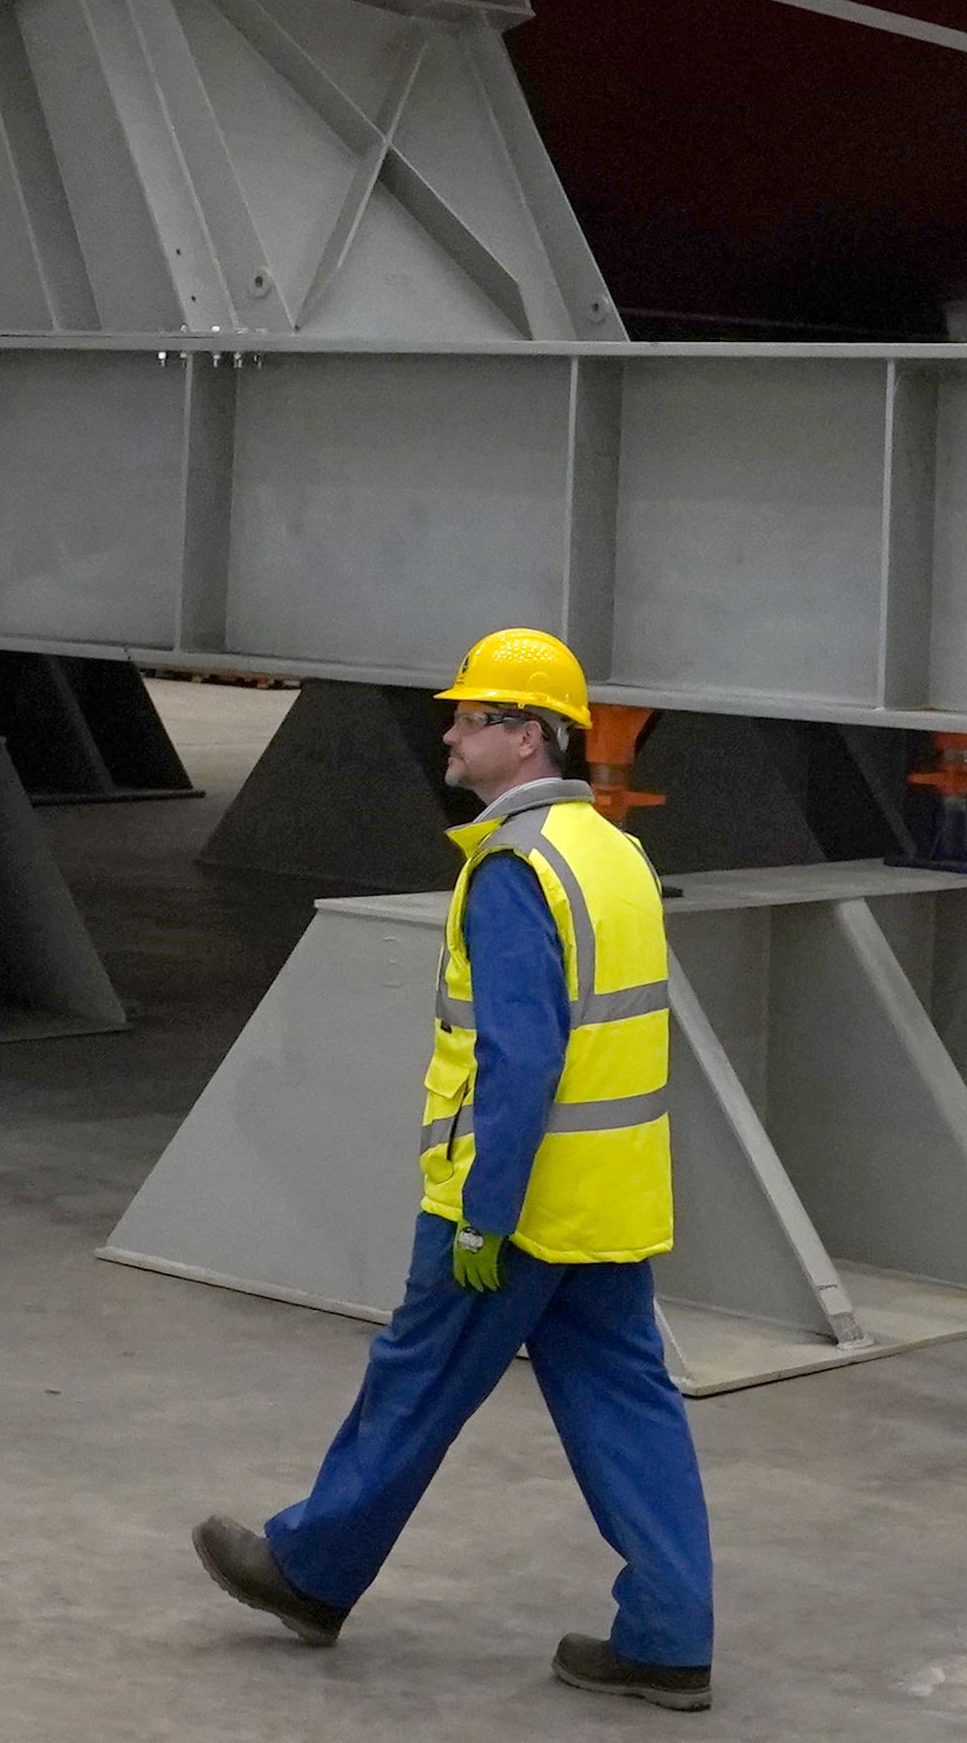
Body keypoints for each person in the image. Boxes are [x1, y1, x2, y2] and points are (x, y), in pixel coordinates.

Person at [195, 629, 715, 1712]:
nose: (450, 729)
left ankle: (310, 1569)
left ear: (526, 737)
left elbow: (520, 1057)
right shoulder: (611, 853)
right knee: (629, 1405)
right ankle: (670, 1634)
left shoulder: (516, 870)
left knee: (417, 1377)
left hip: (514, 1205)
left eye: (472, 716)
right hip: (607, 1200)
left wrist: (483, 1211)